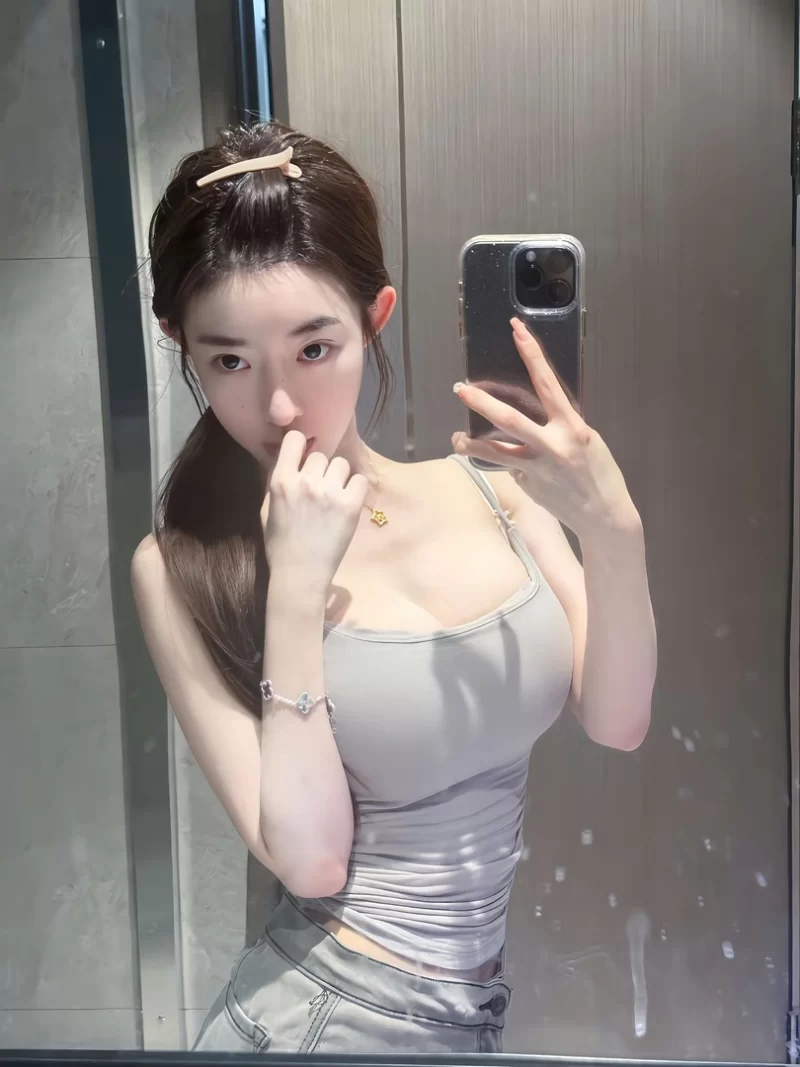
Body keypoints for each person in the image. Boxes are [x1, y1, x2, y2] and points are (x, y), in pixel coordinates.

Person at [131, 120, 657, 1054]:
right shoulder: (179, 567)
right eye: (230, 361)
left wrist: (615, 528)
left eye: (313, 349)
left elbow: (618, 720)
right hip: (318, 1019)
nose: (279, 404)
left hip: (465, 1019)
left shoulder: (493, 487)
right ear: (182, 345)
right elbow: (313, 861)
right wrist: (295, 589)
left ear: (375, 317)